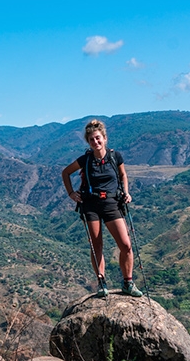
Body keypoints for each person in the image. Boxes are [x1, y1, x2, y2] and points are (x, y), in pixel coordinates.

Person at [61, 119, 143, 297]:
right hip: (91, 205)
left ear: (105, 138)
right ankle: (101, 281)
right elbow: (65, 172)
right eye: (92, 140)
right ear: (88, 142)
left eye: (98, 138)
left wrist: (126, 193)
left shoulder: (115, 157)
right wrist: (71, 193)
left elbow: (123, 175)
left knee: (126, 245)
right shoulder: (85, 160)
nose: (95, 142)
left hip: (112, 204)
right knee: (96, 246)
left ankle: (128, 282)